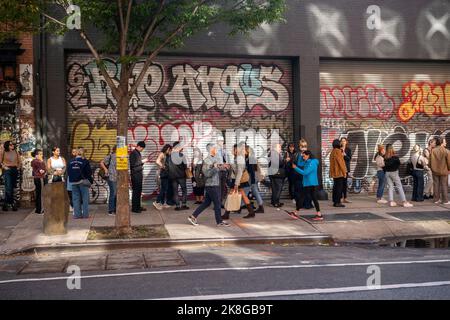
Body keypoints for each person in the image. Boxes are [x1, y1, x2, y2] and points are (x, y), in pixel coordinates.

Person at [188, 143, 230, 227]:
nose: (216, 150)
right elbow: (207, 173)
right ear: (211, 150)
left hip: (214, 184)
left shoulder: (214, 159)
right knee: (217, 203)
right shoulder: (207, 160)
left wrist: (223, 166)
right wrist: (215, 167)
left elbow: (217, 168)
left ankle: (193, 216)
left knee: (206, 203)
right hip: (212, 185)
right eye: (215, 148)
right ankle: (219, 222)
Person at [222, 143, 255, 219]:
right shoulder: (237, 157)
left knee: (230, 195)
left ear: (237, 150)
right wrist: (230, 165)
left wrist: (236, 184)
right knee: (243, 195)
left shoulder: (239, 158)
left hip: (238, 180)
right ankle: (251, 212)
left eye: (233, 149)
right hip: (237, 179)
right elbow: (236, 169)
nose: (231, 150)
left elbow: (239, 171)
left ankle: (227, 214)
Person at [288, 150, 323, 221]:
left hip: (310, 183)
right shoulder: (307, 161)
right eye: (303, 156)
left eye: (304, 156)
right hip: (308, 183)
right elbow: (299, 163)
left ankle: (296, 213)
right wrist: (301, 156)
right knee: (313, 198)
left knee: (302, 197)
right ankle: (319, 215)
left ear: (308, 155)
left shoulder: (312, 163)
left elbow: (305, 173)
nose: (303, 158)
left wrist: (295, 168)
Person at [68, 148, 93, 219]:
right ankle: (85, 215)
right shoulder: (85, 161)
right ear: (83, 154)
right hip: (83, 182)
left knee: (75, 199)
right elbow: (89, 172)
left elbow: (68, 172)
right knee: (85, 198)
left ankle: (77, 215)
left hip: (73, 182)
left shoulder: (70, 161)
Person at [0, 141, 21, 211]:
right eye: (11, 144)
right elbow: (0, 161)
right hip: (7, 170)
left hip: (15, 170)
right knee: (9, 187)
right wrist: (4, 167)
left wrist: (18, 167)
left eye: (13, 144)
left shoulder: (15, 152)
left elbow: (19, 161)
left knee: (13, 187)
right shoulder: (3, 152)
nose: (12, 145)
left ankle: (5, 204)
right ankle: (12, 204)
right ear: (7, 146)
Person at [168, 141, 189, 211]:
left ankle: (177, 206)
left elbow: (167, 166)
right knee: (184, 190)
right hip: (181, 176)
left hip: (173, 177)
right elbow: (185, 167)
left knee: (175, 191)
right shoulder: (181, 155)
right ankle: (184, 205)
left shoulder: (169, 156)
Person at [429, 137, 450, 205]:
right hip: (444, 171)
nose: (445, 143)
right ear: (441, 143)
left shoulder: (433, 150)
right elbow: (449, 162)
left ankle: (436, 199)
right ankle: (445, 200)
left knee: (436, 185)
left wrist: (431, 168)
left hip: (435, 171)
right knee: (444, 185)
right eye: (444, 141)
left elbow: (430, 162)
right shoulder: (446, 151)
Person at [294, 139, 313, 209]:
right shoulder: (298, 154)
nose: (303, 147)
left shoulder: (308, 154)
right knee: (300, 190)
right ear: (299, 147)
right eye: (302, 146)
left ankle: (307, 204)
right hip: (299, 175)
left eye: (305, 146)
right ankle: (301, 204)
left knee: (307, 190)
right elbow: (298, 164)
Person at [245, 145, 264, 213]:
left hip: (252, 177)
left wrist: (252, 180)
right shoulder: (250, 158)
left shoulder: (251, 158)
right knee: (255, 192)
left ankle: (240, 206)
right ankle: (261, 206)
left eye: (244, 150)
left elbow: (252, 171)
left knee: (245, 192)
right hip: (253, 177)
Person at [153, 144, 172, 210]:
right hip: (161, 173)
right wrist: (163, 167)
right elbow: (157, 161)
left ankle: (163, 203)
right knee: (163, 189)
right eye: (169, 150)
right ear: (167, 149)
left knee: (164, 189)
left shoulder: (166, 155)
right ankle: (157, 202)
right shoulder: (162, 154)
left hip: (165, 174)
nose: (169, 151)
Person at [130, 141, 147, 214]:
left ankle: (138, 206)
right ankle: (135, 208)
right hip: (135, 175)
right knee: (136, 192)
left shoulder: (137, 153)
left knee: (138, 192)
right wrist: (142, 161)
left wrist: (141, 162)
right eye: (142, 148)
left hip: (138, 175)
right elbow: (133, 164)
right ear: (139, 146)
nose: (142, 150)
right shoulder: (134, 153)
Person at [100, 146, 117, 216]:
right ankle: (111, 210)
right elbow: (101, 162)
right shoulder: (110, 156)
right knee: (113, 193)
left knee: (115, 194)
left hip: (118, 178)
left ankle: (115, 209)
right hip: (111, 177)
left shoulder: (122, 157)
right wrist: (105, 169)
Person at [330, 139, 347, 208]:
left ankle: (335, 201)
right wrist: (344, 172)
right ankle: (337, 202)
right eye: (340, 143)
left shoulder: (333, 151)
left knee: (335, 187)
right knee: (339, 188)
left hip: (334, 173)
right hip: (339, 173)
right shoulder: (338, 151)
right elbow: (341, 163)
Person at [268, 143, 286, 208]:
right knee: (278, 189)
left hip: (273, 174)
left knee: (275, 189)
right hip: (277, 174)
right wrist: (285, 161)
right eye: (279, 147)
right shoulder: (274, 154)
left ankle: (274, 201)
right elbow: (278, 163)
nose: (280, 149)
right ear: (276, 148)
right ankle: (276, 202)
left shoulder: (272, 153)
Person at [31, 149, 47, 214]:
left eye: (42, 154)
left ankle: (38, 209)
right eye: (40, 154)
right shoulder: (37, 161)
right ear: (36, 155)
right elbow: (42, 171)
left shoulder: (34, 161)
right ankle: (40, 209)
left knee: (38, 193)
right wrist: (43, 162)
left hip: (37, 178)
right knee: (41, 194)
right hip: (40, 178)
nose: (42, 155)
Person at [340, 137, 352, 204]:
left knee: (344, 184)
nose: (343, 142)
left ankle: (345, 198)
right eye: (342, 141)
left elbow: (349, 159)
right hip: (340, 169)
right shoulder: (339, 149)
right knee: (340, 184)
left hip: (346, 169)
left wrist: (344, 155)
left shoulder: (348, 150)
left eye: (344, 141)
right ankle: (340, 197)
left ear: (346, 142)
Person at [67, 148, 77, 213]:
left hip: (77, 179)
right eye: (73, 152)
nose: (74, 153)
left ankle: (76, 207)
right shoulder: (70, 161)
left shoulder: (80, 160)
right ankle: (72, 206)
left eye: (75, 152)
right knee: (70, 193)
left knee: (77, 194)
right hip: (70, 179)